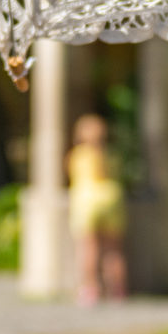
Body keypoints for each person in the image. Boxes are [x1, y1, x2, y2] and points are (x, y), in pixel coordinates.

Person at [68, 112, 126, 305]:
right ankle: (117, 290)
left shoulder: (79, 155)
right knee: (113, 249)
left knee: (88, 248)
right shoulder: (112, 155)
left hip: (87, 199)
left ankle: (90, 289)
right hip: (111, 196)